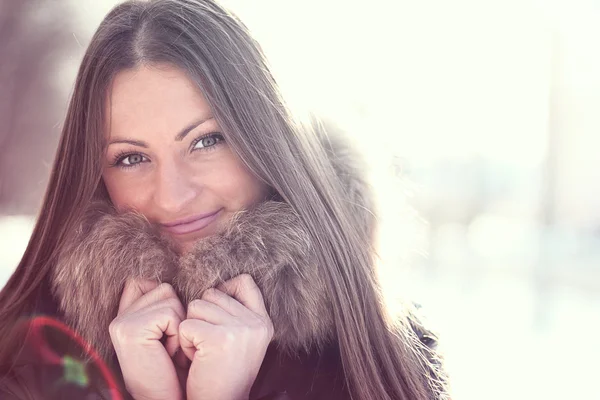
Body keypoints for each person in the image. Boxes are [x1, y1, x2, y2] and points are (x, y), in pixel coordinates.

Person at [0, 0, 447, 399]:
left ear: (267, 141)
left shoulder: (386, 360)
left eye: (206, 141)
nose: (173, 197)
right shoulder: (25, 360)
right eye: (132, 157)